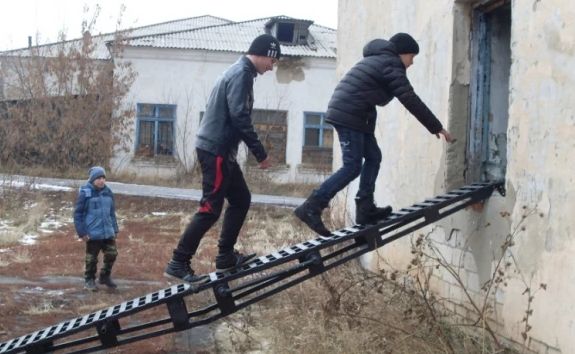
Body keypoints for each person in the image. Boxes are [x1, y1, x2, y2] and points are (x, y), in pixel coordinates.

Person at [294, 32, 452, 237]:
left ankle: (365, 207)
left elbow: (379, 95)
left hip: (355, 115)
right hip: (351, 115)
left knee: (374, 156)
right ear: (402, 53)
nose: (411, 63)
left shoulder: (378, 60)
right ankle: (312, 206)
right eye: (412, 57)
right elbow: (409, 98)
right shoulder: (391, 63)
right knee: (352, 166)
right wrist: (435, 126)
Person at [164, 34, 279, 284]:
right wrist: (259, 152)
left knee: (241, 198)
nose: (272, 67)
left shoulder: (241, 72)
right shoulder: (241, 73)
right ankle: (178, 262)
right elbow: (239, 116)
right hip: (215, 150)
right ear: (261, 53)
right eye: (272, 60)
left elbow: (235, 114)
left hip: (222, 150)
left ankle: (225, 257)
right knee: (209, 209)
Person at [73, 166, 119, 291]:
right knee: (91, 259)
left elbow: (112, 213)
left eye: (103, 178)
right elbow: (78, 214)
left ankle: (104, 276)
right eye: (99, 178)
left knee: (112, 253)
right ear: (93, 179)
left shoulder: (108, 192)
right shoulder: (85, 193)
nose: (102, 180)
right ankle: (89, 280)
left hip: (107, 231)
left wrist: (115, 229)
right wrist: (82, 232)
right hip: (92, 233)